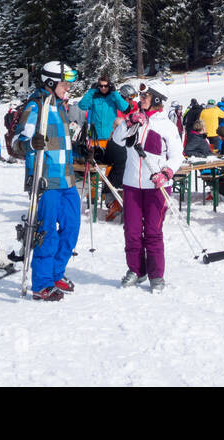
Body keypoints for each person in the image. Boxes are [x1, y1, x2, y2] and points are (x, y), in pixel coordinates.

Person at [111, 80, 185, 291]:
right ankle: (136, 270)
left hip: (156, 186)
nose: (141, 99)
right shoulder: (136, 119)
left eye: (146, 96)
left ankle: (156, 275)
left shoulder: (167, 126)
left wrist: (167, 172)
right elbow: (117, 139)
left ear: (158, 99)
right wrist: (129, 122)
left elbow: (177, 155)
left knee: (152, 231)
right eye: (141, 96)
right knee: (132, 231)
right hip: (132, 183)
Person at [17, 61, 81, 301]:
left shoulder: (61, 107)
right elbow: (16, 144)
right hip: (46, 182)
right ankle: (42, 282)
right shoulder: (36, 107)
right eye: (65, 83)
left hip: (67, 180)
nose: (68, 88)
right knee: (46, 232)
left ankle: (56, 273)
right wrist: (30, 144)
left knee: (71, 228)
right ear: (51, 82)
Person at [78, 76, 128, 217]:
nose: (103, 88)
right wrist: (91, 91)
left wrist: (115, 93)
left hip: (111, 140)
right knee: (94, 172)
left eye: (106, 86)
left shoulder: (112, 97)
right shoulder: (94, 97)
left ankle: (109, 202)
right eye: (101, 86)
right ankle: (92, 200)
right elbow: (82, 105)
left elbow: (125, 108)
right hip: (94, 139)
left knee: (110, 172)